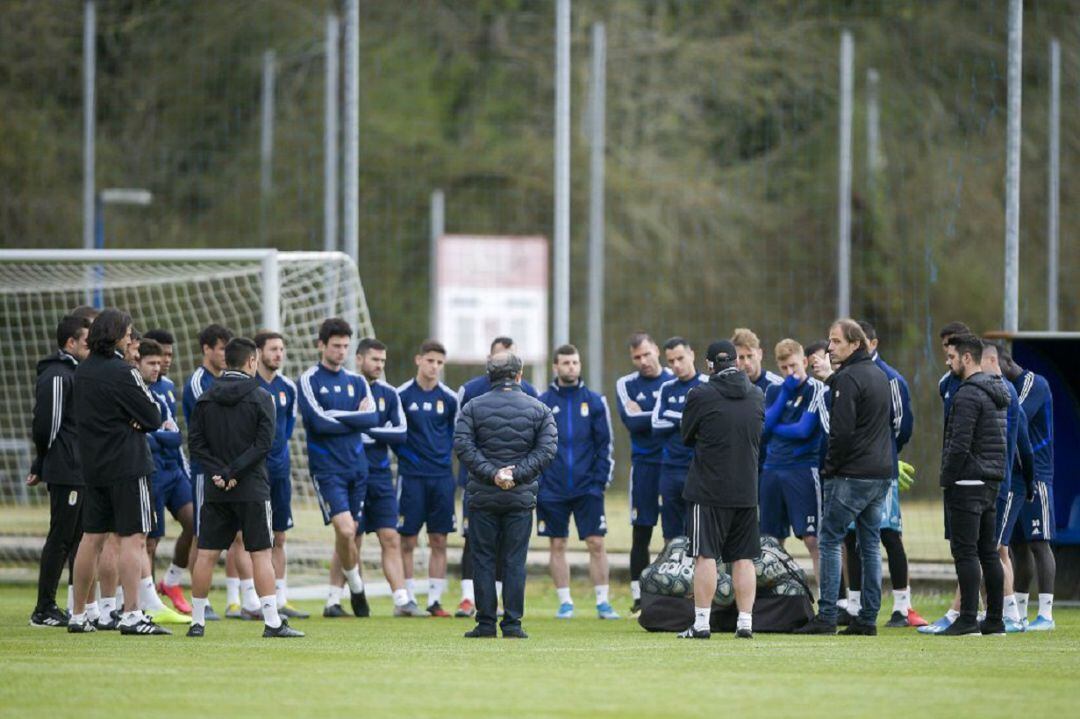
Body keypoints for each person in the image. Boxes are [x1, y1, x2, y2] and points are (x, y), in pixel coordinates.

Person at [187, 337, 303, 638]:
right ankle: (272, 622)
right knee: (261, 553)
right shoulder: (262, 397)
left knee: (206, 554)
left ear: (227, 361)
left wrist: (218, 473)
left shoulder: (206, 398)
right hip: (251, 486)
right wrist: (234, 472)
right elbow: (265, 445)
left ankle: (196, 622)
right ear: (252, 361)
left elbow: (196, 446)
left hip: (216, 488)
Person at [68, 308, 167, 635]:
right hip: (127, 465)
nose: (131, 337)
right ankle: (131, 614)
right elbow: (153, 416)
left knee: (91, 537)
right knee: (133, 538)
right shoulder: (124, 372)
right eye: (128, 332)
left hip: (93, 466)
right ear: (115, 335)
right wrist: (133, 419)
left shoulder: (82, 371)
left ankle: (79, 615)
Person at [796, 319, 893, 636]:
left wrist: (830, 468)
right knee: (869, 545)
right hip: (880, 474)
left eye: (836, 342)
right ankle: (867, 619)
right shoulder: (880, 376)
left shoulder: (847, 380)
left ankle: (826, 616)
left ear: (855, 344)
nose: (829, 348)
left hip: (851, 475)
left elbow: (842, 433)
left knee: (829, 539)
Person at [454, 352, 558, 638]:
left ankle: (485, 623)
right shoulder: (540, 410)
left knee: (483, 559)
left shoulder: (472, 408)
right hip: (520, 497)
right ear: (519, 375)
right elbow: (547, 450)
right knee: (514, 561)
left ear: (490, 376)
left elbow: (463, 446)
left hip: (482, 496)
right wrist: (517, 474)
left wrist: (492, 474)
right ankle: (512, 624)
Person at [325, 338, 423, 618]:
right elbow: (332, 423)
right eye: (374, 360)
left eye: (382, 361)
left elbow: (401, 433)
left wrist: (368, 430)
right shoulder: (345, 388)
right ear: (359, 359)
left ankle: (402, 600)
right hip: (349, 472)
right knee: (349, 537)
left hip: (380, 475)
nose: (379, 365)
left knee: (390, 536)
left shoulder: (389, 394)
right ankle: (333, 600)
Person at [841, 321, 927, 629]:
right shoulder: (846, 376)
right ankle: (854, 606)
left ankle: (902, 608)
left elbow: (902, 427)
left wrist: (886, 452)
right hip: (854, 470)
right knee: (851, 536)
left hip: (882, 469)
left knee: (889, 535)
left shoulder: (891, 378)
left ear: (872, 343)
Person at [677, 340, 764, 640]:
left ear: (710, 364)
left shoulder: (700, 394)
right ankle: (745, 622)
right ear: (737, 361)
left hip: (708, 489)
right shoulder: (757, 394)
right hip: (746, 489)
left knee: (705, 555)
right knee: (743, 557)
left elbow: (686, 435)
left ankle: (702, 623)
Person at [298, 318, 379, 618]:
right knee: (344, 530)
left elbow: (371, 419)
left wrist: (337, 415)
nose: (341, 351)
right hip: (327, 469)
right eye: (336, 346)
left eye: (346, 346)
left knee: (350, 535)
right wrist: (351, 417)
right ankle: (357, 587)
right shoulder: (309, 380)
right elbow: (317, 422)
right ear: (321, 345)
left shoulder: (357, 381)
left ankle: (334, 599)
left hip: (357, 467)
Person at [537, 344, 618, 620]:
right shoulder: (543, 402)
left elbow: (604, 446)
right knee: (557, 544)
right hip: (552, 489)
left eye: (575, 362)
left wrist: (598, 483)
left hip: (587, 489)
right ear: (555, 367)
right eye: (566, 363)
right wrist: (542, 484)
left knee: (596, 543)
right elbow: (535, 446)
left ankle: (603, 602)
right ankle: (566, 603)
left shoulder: (595, 402)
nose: (571, 367)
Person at [936, 334, 1008, 636]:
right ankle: (994, 620)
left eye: (952, 357)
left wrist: (946, 478)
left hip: (967, 480)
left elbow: (958, 443)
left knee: (965, 553)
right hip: (991, 480)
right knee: (988, 553)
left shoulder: (966, 394)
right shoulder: (997, 391)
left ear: (967, 358)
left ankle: (967, 619)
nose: (948, 362)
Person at [28, 314, 91, 627]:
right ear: (71, 343)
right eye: (85, 342)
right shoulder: (56, 373)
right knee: (61, 538)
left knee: (77, 539)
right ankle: (43, 608)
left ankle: (68, 605)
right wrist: (41, 462)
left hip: (79, 469)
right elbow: (46, 425)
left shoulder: (75, 372)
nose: (90, 347)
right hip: (66, 469)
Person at [131, 340, 192, 625]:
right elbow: (144, 439)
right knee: (149, 540)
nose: (160, 366)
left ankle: (170, 581)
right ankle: (146, 600)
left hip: (173, 471)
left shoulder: (167, 388)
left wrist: (156, 436)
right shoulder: (133, 389)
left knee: (196, 522)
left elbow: (176, 436)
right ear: (138, 361)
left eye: (163, 360)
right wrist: (157, 436)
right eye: (153, 362)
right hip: (150, 473)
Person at [396, 340, 459, 616]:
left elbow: (457, 438)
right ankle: (407, 599)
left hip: (442, 478)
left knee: (439, 540)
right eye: (430, 360)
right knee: (407, 540)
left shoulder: (449, 399)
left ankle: (434, 601)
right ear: (418, 360)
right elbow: (393, 434)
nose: (434, 367)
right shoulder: (401, 396)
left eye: (439, 363)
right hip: (411, 478)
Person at [759, 339, 828, 589]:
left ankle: (830, 602)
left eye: (794, 366)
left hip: (801, 469)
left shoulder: (817, 389)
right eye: (784, 368)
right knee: (770, 540)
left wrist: (775, 426)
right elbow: (763, 428)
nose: (790, 373)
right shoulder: (775, 391)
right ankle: (774, 598)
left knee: (812, 539)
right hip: (772, 469)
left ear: (805, 362)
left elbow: (803, 430)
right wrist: (785, 394)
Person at [615, 332, 673, 615]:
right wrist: (666, 414)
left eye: (647, 354)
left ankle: (673, 589)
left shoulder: (675, 379)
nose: (643, 361)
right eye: (637, 357)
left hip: (673, 465)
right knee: (642, 532)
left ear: (657, 351)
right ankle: (639, 598)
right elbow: (631, 421)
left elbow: (686, 418)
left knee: (675, 533)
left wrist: (648, 413)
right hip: (644, 467)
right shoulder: (625, 384)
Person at [253, 330, 307, 619]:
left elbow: (285, 430)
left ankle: (280, 596)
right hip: (254, 473)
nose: (278, 354)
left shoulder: (288, 388)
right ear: (259, 352)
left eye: (282, 349)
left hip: (280, 471)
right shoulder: (250, 386)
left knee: (280, 536)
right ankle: (248, 598)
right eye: (273, 349)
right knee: (246, 536)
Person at [1002, 347, 1057, 631]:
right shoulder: (1009, 386)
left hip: (1038, 476)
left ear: (1006, 362)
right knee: (1018, 546)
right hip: (1015, 477)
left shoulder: (1035, 383)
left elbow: (1016, 416)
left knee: (1040, 542)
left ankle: (1046, 614)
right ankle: (1019, 613)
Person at [183, 323, 235, 621]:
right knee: (203, 536)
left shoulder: (227, 379)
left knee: (237, 536)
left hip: (231, 469)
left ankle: (242, 598)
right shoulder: (198, 382)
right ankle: (200, 602)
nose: (225, 355)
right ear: (207, 349)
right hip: (206, 470)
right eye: (220, 349)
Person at [984, 341, 1035, 632]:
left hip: (1006, 482)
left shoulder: (1008, 394)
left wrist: (1027, 484)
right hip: (1001, 481)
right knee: (998, 549)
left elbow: (1024, 446)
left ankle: (1012, 614)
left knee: (997, 548)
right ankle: (1002, 611)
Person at [650, 337, 707, 540]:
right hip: (670, 468)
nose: (676, 365)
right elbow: (655, 424)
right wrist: (684, 419)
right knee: (671, 536)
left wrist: (673, 416)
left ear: (692, 355)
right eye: (671, 361)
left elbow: (705, 426)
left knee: (700, 534)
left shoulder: (707, 386)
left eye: (680, 358)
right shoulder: (667, 388)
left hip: (699, 469)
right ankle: (673, 571)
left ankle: (703, 573)